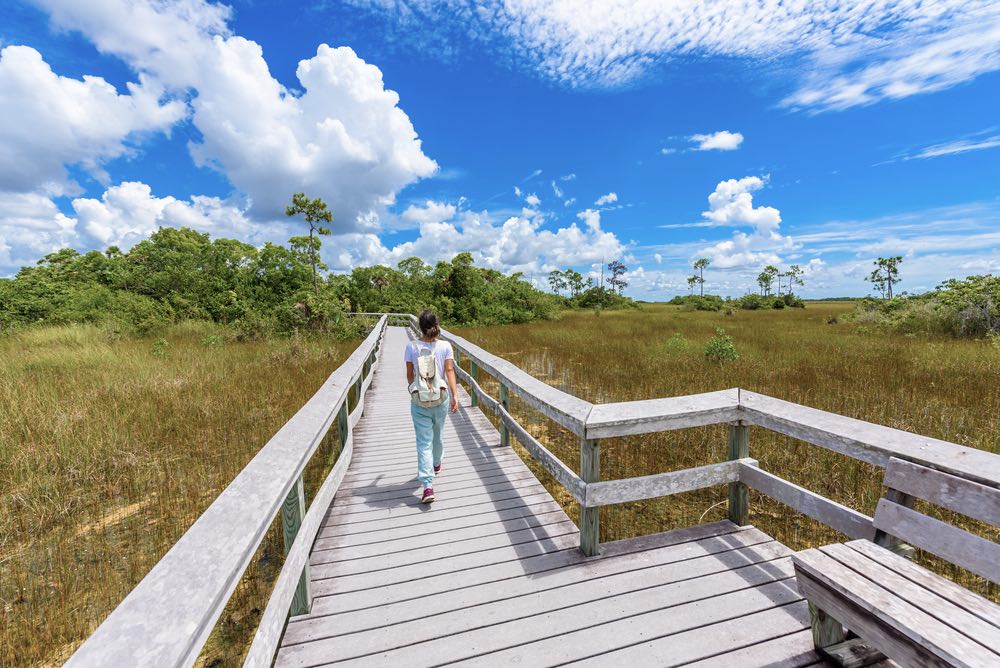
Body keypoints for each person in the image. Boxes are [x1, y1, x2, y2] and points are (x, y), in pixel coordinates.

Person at [404, 310, 459, 503]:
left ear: (420, 326)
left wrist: (413, 389)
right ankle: (436, 463)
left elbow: (410, 375)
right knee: (438, 433)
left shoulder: (411, 346)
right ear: (437, 325)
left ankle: (428, 486)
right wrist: (455, 395)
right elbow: (450, 371)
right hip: (441, 398)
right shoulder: (445, 346)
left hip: (420, 400)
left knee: (423, 441)